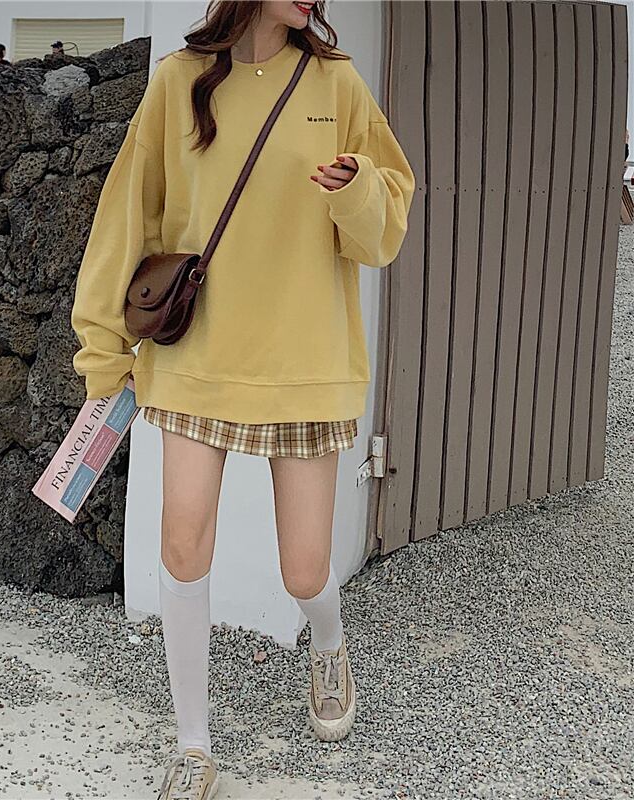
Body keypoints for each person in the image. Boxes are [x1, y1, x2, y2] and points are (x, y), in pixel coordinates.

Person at [69, 1, 414, 797]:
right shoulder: (178, 82)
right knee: (183, 544)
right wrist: (103, 350)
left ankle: (327, 645)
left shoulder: (336, 84)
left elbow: (384, 232)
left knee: (305, 570)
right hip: (198, 356)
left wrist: (357, 188)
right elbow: (125, 218)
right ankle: (193, 747)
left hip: (305, 358)